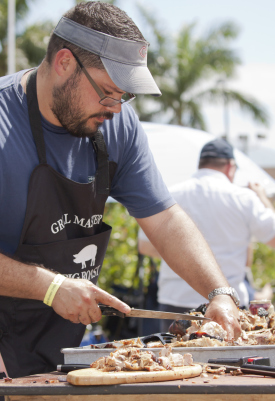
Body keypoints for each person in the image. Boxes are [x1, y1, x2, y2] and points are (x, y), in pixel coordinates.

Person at [0, 2, 241, 378]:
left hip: (56, 345)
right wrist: (49, 287)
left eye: (125, 97)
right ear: (65, 62)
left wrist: (218, 293)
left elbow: (164, 218)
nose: (116, 109)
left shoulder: (117, 125)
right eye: (109, 92)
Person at [138, 138, 275, 332]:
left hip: (176, 299)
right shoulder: (243, 197)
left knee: (176, 361)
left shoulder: (170, 194)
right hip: (228, 302)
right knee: (230, 362)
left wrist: (184, 254)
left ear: (201, 164)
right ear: (231, 166)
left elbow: (145, 246)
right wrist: (262, 197)